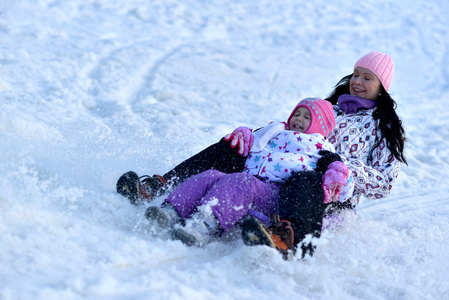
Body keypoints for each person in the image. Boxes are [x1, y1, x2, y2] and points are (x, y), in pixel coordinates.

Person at [117, 51, 407, 259]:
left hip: (328, 193)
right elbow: (292, 134)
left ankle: (288, 237)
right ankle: (161, 185)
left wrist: (340, 168)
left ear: (382, 87)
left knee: (306, 177)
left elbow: (385, 183)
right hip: (283, 171)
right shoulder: (329, 107)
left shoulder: (385, 127)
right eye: (356, 74)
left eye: (367, 77)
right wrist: (254, 135)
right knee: (233, 147)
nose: (357, 81)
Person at [142, 98, 352, 249]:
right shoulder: (275, 132)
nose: (298, 119)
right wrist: (245, 136)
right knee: (211, 175)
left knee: (241, 181)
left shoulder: (321, 149)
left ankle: (204, 225)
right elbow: (251, 139)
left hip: (274, 196)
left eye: (307, 117)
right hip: (245, 182)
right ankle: (172, 211)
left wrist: (337, 172)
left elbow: (342, 189)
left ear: (320, 125)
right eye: (297, 113)